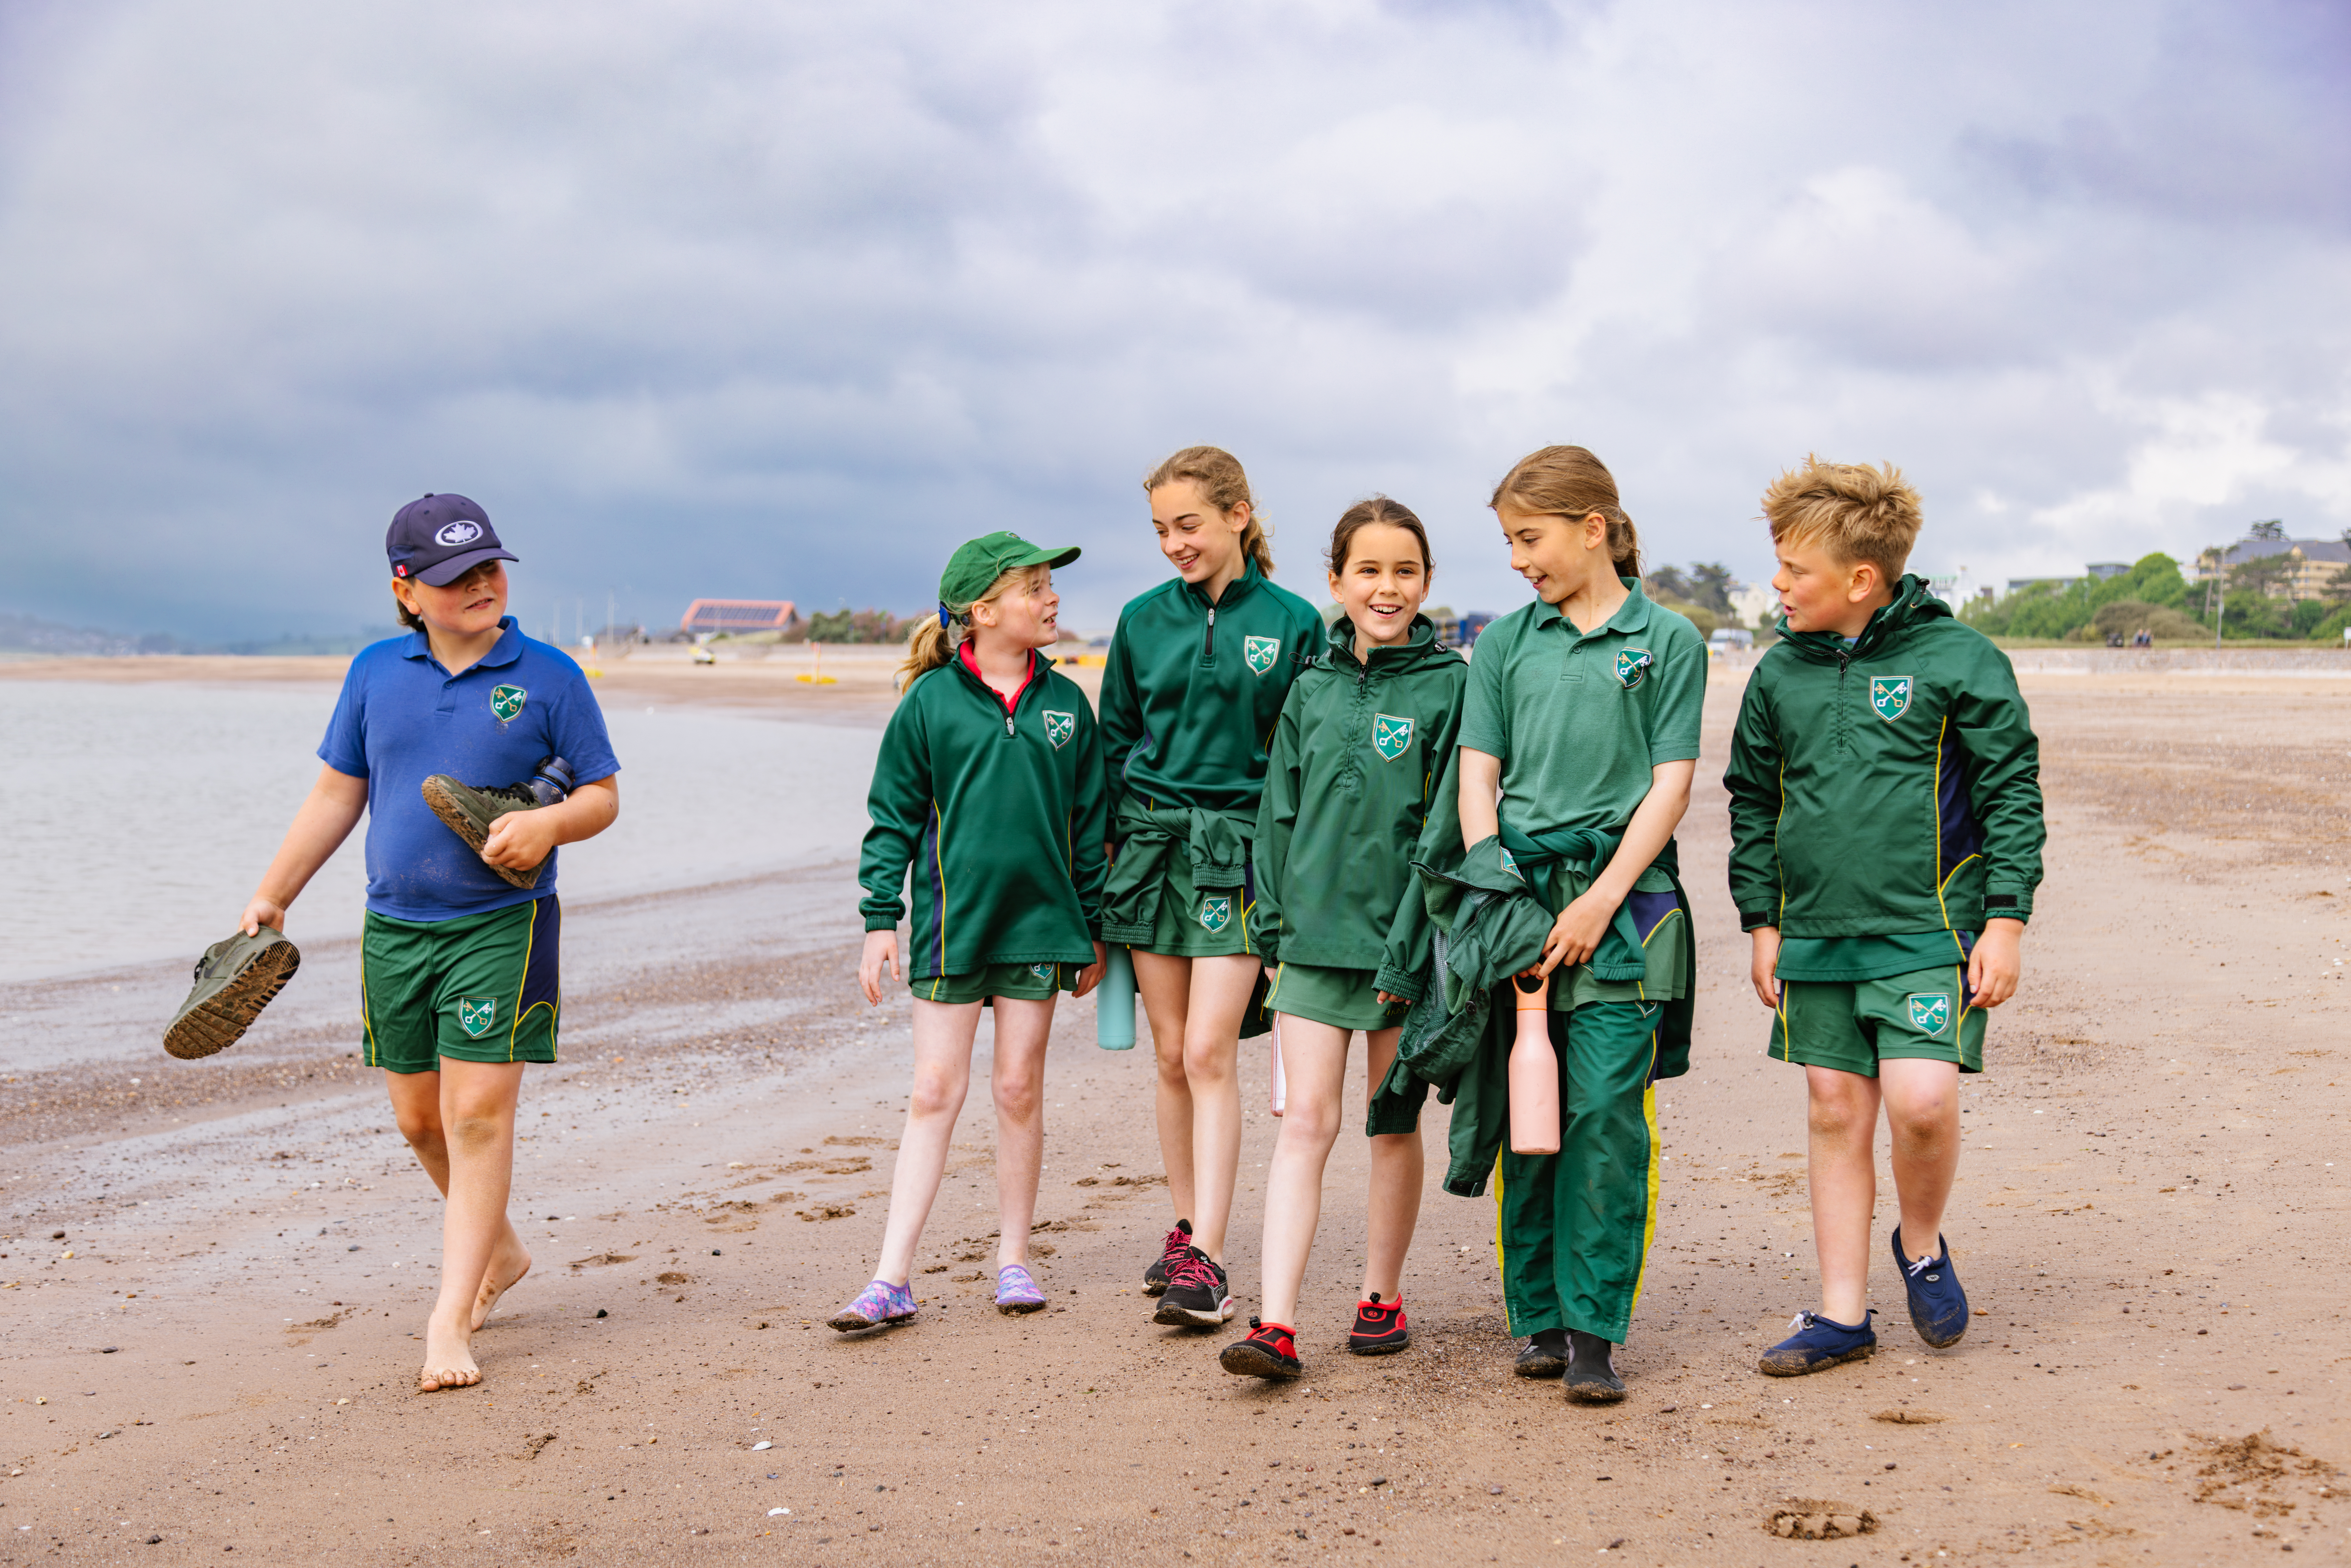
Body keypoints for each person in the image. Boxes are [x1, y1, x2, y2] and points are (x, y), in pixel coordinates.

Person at [236, 494, 621, 1393]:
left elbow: (601, 795)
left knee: (476, 1117)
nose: (482, 584)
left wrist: (550, 825)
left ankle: (448, 1318)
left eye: (490, 567)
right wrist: (274, 893)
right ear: (406, 592)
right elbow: (339, 793)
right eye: (456, 577)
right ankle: (502, 1250)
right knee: (418, 1120)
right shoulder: (375, 674)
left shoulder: (551, 676)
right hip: (395, 928)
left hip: (502, 925)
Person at [1725, 457, 2043, 1377]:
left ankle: (1922, 1243)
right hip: (1817, 933)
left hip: (1930, 929)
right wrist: (1762, 921)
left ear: (1862, 578)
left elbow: (2012, 793)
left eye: (1796, 571)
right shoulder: (1779, 673)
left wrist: (2007, 920)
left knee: (1923, 1106)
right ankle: (1840, 1314)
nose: (1778, 585)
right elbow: (1753, 799)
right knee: (1835, 1111)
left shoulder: (1960, 658)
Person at [1453, 446, 1706, 1402]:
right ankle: (1541, 1320)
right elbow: (1478, 780)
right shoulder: (1505, 646)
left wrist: (1601, 896)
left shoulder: (1668, 640)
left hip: (1629, 913)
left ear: (1593, 528)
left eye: (1531, 538)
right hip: (1519, 903)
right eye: (1509, 544)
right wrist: (1503, 893)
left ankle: (1596, 1331)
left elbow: (1670, 786)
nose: (1520, 560)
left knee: (1603, 1114)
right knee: (1530, 1114)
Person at [834, 533, 1109, 1331]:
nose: (1052, 600)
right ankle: (892, 1277)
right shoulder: (929, 703)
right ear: (983, 612)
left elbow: (1091, 825)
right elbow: (892, 820)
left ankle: (1014, 1259)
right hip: (951, 929)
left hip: (1041, 927)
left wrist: (1092, 928)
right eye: (1035, 588)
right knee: (934, 1091)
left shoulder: (1068, 705)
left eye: (1051, 586)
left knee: (1018, 1089)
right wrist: (879, 921)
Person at [1219, 499, 1466, 1379]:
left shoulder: (1451, 687)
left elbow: (1449, 830)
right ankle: (1276, 1324)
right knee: (1306, 1125)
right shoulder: (1311, 689)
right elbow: (1276, 819)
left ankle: (1380, 1296)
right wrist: (1273, 934)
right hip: (1313, 948)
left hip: (1407, 952)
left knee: (1391, 1123)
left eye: (1404, 571)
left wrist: (1413, 946)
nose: (1386, 588)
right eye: (1368, 571)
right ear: (1336, 581)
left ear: (1426, 583)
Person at [1097, 446, 1327, 1328]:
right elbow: (1114, 744)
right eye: (1160, 529)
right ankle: (1188, 1228)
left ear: (1238, 515)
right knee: (1169, 1056)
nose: (1173, 545)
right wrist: (1103, 867)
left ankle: (1213, 1262)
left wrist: (1297, 872)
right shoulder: (1140, 620)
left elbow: (1308, 756)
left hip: (1241, 854)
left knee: (1207, 1053)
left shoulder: (1295, 621)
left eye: (1187, 524)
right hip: (1152, 851)